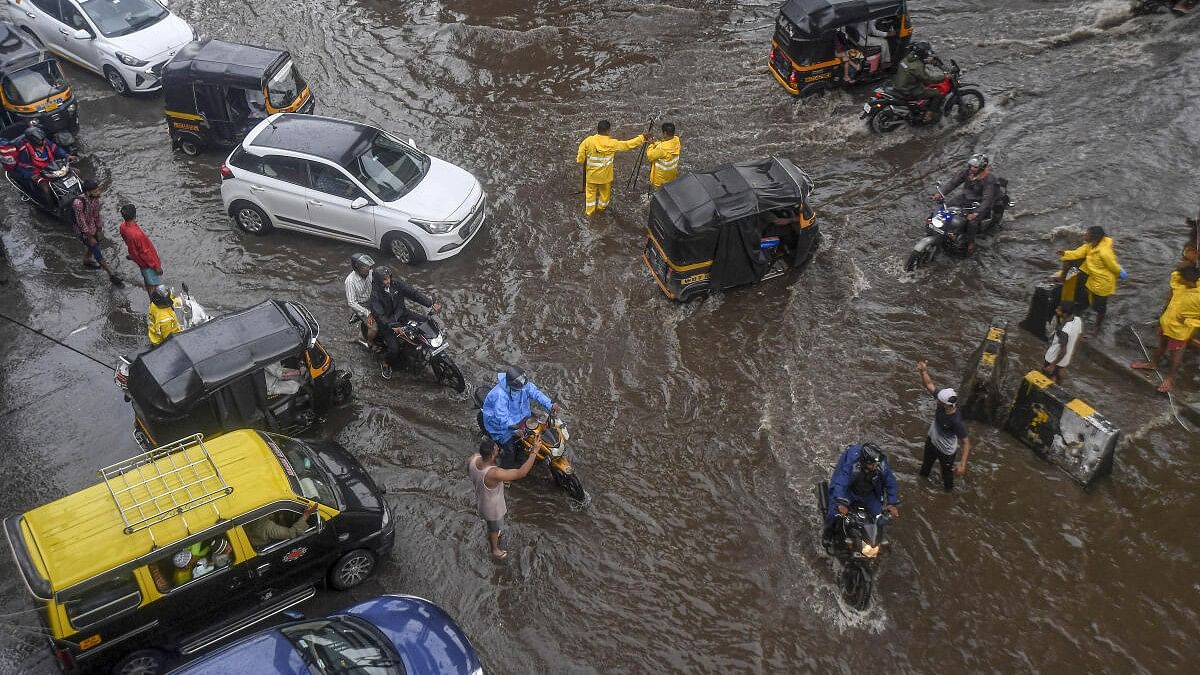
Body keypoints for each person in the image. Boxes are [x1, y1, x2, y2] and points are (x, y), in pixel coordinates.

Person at [1131, 266, 1200, 393]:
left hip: (1179, 332)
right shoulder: (1180, 284)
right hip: (1166, 324)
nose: (1178, 279)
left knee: (1175, 355)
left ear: (1189, 281)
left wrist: (1187, 321)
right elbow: (1175, 275)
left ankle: (1170, 378)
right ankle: (1152, 364)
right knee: (1161, 346)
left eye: (1181, 279)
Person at [468, 437, 540, 560]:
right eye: (496, 450)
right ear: (491, 456)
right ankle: (495, 550)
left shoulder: (472, 459)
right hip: (492, 509)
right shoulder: (494, 473)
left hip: (481, 500)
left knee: (493, 526)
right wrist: (534, 452)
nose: (499, 450)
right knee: (494, 528)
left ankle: (494, 532)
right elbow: (521, 473)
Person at [822, 443, 900, 549]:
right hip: (850, 492)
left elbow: (891, 482)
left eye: (876, 464)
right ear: (864, 462)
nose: (875, 466)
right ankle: (828, 533)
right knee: (834, 513)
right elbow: (841, 482)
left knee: (879, 517)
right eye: (872, 464)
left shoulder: (880, 463)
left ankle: (876, 540)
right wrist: (840, 502)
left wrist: (892, 503)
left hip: (869, 495)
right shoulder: (852, 463)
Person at [368, 265, 439, 379]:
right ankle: (386, 364)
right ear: (378, 281)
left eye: (389, 278)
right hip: (388, 324)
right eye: (385, 279)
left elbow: (413, 293)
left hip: (402, 314)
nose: (388, 281)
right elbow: (380, 315)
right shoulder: (375, 295)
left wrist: (430, 303)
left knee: (426, 322)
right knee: (394, 349)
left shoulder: (397, 285)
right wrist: (392, 326)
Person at [482, 366, 560, 468]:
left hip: (522, 416)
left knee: (541, 427)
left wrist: (550, 405)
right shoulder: (499, 395)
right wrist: (515, 430)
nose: (524, 388)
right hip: (500, 426)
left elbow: (535, 393)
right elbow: (502, 418)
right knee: (510, 452)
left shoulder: (523, 384)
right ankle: (506, 475)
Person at [1058, 225, 1125, 334]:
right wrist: (1065, 253)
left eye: (1087, 234)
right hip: (1093, 278)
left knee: (1099, 306)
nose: (1084, 235)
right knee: (1088, 295)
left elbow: (1114, 267)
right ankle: (1082, 306)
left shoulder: (1104, 252)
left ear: (1095, 237)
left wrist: (1119, 273)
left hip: (1103, 283)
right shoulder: (1089, 246)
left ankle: (1097, 327)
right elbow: (1078, 253)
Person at [916, 360, 972, 490]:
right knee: (925, 468)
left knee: (947, 475)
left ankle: (948, 494)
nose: (937, 402)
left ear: (948, 404)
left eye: (940, 402)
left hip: (946, 451)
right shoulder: (943, 402)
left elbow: (966, 443)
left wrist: (962, 464)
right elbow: (929, 385)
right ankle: (920, 486)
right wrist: (923, 371)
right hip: (932, 442)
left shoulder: (956, 422)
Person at [933, 153, 1001, 253]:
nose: (972, 168)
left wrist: (976, 213)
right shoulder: (966, 172)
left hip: (981, 203)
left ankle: (971, 243)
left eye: (975, 167)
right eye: (971, 165)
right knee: (944, 209)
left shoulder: (989, 180)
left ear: (981, 167)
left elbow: (987, 199)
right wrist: (941, 193)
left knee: (972, 222)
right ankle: (940, 230)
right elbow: (953, 183)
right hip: (966, 197)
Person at [575, 120, 645, 216]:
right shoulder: (613, 143)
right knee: (604, 195)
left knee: (590, 195)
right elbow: (628, 144)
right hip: (605, 177)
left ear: (597, 129)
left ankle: (590, 213)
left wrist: (582, 159)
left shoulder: (588, 141)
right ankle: (601, 209)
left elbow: (580, 159)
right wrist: (642, 137)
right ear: (608, 130)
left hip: (592, 176)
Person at [71, 179, 123, 286]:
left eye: (98, 190)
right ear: (88, 192)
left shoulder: (95, 200)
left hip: (93, 227)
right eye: (95, 191)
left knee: (94, 245)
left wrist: (99, 230)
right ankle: (111, 274)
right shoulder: (78, 203)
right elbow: (81, 222)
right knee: (96, 249)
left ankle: (86, 260)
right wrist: (89, 237)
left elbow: (97, 216)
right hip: (83, 232)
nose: (98, 193)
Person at [15, 126, 69, 206]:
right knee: (46, 189)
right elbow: (22, 166)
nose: (43, 142)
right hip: (39, 173)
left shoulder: (46, 142)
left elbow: (57, 149)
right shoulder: (25, 150)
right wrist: (31, 175)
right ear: (32, 140)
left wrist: (66, 155)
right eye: (40, 140)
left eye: (43, 139)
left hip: (54, 168)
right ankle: (52, 207)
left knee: (76, 172)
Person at [892, 41, 945, 122]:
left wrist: (927, 61)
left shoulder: (906, 58)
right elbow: (929, 80)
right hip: (909, 90)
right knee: (938, 94)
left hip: (898, 84)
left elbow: (914, 69)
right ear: (923, 54)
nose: (928, 55)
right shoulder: (918, 66)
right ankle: (928, 115)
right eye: (927, 53)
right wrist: (944, 77)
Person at [119, 204, 163, 296]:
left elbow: (128, 242)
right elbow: (146, 253)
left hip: (138, 259)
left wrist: (132, 255)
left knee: (147, 279)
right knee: (153, 284)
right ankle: (153, 302)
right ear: (135, 215)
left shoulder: (123, 227)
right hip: (146, 263)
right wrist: (156, 267)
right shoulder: (137, 234)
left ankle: (150, 294)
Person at [245, 503, 318, 550]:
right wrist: (306, 515)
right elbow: (291, 533)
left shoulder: (256, 510)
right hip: (259, 543)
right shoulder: (268, 527)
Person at [1042, 302, 1083, 384]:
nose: (1056, 310)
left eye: (1059, 310)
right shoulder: (1078, 320)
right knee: (1057, 377)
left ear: (1065, 314)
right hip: (1064, 360)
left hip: (1052, 359)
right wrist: (1071, 352)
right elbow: (1079, 336)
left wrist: (1052, 365)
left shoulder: (1064, 330)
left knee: (1045, 380)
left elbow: (1063, 351)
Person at [345, 252, 378, 348]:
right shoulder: (350, 281)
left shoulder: (370, 272)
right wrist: (367, 313)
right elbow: (351, 302)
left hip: (372, 300)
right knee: (374, 327)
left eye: (368, 266)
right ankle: (369, 342)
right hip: (361, 305)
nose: (368, 269)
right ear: (357, 268)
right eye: (365, 267)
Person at [644, 122, 680, 191]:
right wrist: (656, 143)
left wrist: (651, 145)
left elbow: (650, 156)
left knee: (658, 194)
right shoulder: (676, 140)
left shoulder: (661, 149)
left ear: (665, 133)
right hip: (671, 176)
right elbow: (665, 144)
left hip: (660, 179)